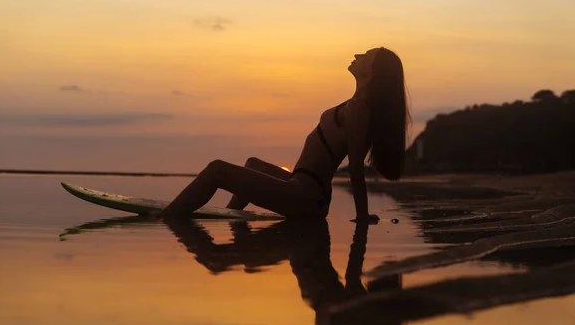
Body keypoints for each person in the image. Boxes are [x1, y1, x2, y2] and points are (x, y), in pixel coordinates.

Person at [160, 47, 410, 221]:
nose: (358, 54)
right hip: (300, 187)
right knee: (252, 164)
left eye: (366, 55)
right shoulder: (354, 105)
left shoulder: (358, 109)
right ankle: (231, 218)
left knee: (217, 170)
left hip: (307, 197)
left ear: (373, 71)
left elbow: (355, 168)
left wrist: (362, 217)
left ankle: (167, 219)